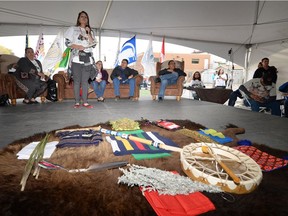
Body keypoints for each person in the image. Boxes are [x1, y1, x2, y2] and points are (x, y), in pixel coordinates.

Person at [64, 11, 97, 109]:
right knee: (77, 81)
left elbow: (93, 44)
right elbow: (67, 43)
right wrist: (77, 46)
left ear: (88, 20)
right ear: (78, 19)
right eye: (82, 16)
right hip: (76, 59)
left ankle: (85, 102)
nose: (84, 18)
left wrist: (88, 33)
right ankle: (77, 102)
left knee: (85, 81)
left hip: (87, 59)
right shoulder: (72, 29)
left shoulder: (90, 31)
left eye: (86, 17)